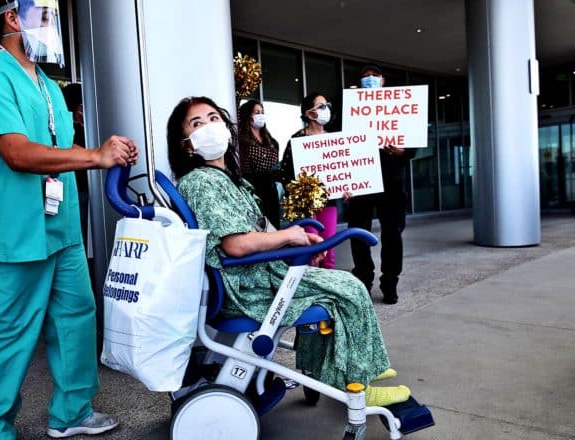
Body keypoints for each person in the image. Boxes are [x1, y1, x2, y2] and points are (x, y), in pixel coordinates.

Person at [0, 1, 138, 438]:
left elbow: (58, 152)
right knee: (7, 335)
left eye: (55, 18)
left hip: (60, 229)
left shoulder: (51, 88)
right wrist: (96, 156)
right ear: (13, 19)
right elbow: (17, 153)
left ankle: (73, 412)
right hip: (12, 235)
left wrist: (106, 152)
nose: (52, 26)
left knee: (76, 317)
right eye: (44, 16)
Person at [167, 96, 410, 406]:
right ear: (187, 144)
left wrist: (301, 244)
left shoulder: (228, 180)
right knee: (350, 289)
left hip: (259, 276)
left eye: (213, 118)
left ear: (226, 129)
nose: (209, 126)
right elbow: (236, 244)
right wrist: (289, 237)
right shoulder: (202, 182)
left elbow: (260, 231)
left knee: (338, 287)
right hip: (248, 289)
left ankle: (348, 368)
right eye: (197, 123)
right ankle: (359, 386)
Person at [347, 64, 416, 305]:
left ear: (383, 80)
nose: (370, 79)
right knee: (359, 232)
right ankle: (364, 277)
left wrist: (402, 151)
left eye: (374, 76)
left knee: (393, 233)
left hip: (392, 182)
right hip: (361, 181)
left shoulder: (398, 107)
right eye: (365, 76)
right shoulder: (351, 110)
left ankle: (390, 281)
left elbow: (412, 147)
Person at [279, 92, 345, 269]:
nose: (327, 109)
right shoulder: (297, 140)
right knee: (310, 249)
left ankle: (329, 290)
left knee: (329, 249)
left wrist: (346, 186)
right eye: (321, 106)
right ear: (309, 113)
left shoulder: (335, 140)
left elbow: (343, 171)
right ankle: (312, 290)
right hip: (305, 204)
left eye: (327, 106)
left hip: (328, 201)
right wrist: (297, 192)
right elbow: (285, 173)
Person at [237, 99, 281, 229]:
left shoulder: (269, 139)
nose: (260, 115)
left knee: (274, 225)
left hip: (271, 189)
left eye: (262, 112)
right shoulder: (243, 141)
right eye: (257, 112)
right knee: (261, 226)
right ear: (248, 115)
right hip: (254, 188)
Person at [61, 83, 90, 249]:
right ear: (79, 108)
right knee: (79, 232)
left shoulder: (62, 129)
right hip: (79, 189)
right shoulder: (80, 132)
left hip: (70, 187)